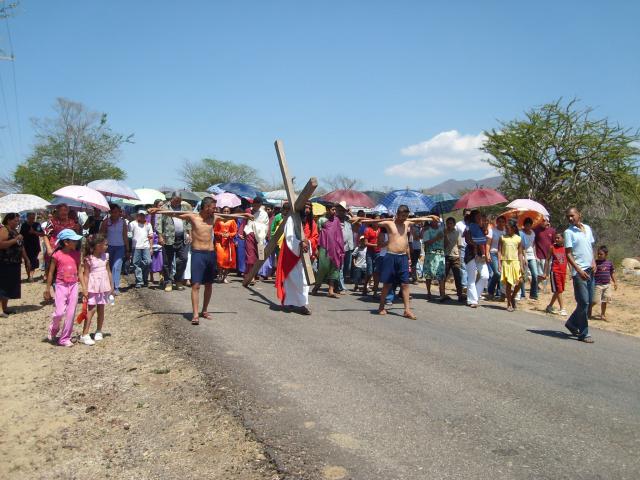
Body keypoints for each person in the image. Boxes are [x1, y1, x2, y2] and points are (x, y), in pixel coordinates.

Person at [150, 197, 249, 324]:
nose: (215, 209)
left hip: (211, 254)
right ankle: (195, 314)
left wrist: (245, 215)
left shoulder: (214, 217)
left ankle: (205, 310)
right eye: (213, 207)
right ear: (206, 207)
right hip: (198, 254)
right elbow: (173, 213)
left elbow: (230, 216)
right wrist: (157, 210)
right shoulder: (193, 217)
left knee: (209, 284)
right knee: (195, 285)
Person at [360, 206, 439, 319]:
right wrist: (358, 219)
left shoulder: (406, 223)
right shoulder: (389, 223)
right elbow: (373, 221)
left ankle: (407, 310)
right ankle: (381, 306)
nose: (404, 218)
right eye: (402, 216)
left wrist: (431, 217)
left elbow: (419, 219)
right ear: (397, 214)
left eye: (406, 216)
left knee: (405, 284)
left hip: (402, 258)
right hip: (390, 256)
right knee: (387, 284)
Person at [44, 229, 83, 347]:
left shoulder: (77, 254)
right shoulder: (57, 255)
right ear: (66, 242)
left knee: (71, 313)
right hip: (61, 285)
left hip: (74, 285)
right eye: (74, 240)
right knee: (59, 312)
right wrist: (47, 289)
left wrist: (84, 288)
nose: (76, 242)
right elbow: (51, 273)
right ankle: (54, 327)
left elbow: (80, 271)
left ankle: (65, 337)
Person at [563, 207, 596, 343]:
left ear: (579, 215)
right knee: (583, 302)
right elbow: (568, 254)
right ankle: (584, 333)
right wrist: (578, 270)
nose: (570, 218)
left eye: (572, 215)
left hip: (590, 269)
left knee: (589, 302)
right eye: (568, 217)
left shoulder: (587, 228)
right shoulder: (568, 232)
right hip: (579, 272)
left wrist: (593, 261)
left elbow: (590, 246)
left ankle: (571, 323)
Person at [275, 208, 312, 315]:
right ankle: (289, 302)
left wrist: (307, 243)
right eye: (306, 207)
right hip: (291, 254)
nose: (308, 210)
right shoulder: (291, 219)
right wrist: (300, 244)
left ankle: (303, 304)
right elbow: (289, 237)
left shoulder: (310, 221)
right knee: (291, 280)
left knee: (304, 281)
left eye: (310, 207)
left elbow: (313, 236)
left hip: (303, 256)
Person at [79, 234, 113, 345]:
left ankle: (99, 330)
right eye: (105, 245)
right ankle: (85, 333)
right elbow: (86, 275)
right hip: (93, 287)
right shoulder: (89, 259)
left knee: (101, 308)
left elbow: (108, 271)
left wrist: (111, 285)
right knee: (91, 309)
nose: (107, 247)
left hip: (103, 287)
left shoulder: (105, 257)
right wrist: (85, 288)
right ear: (98, 246)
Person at [157, 193, 192, 292]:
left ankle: (178, 280)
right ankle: (168, 281)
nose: (178, 202)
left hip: (182, 238)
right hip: (168, 238)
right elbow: (159, 222)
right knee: (167, 261)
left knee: (183, 259)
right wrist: (160, 236)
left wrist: (190, 234)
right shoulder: (164, 207)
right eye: (176, 200)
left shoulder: (184, 207)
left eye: (179, 200)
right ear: (171, 199)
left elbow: (188, 221)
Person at [312, 204, 344, 298]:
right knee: (323, 267)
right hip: (324, 247)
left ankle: (331, 290)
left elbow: (339, 234)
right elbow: (317, 235)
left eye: (335, 210)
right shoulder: (321, 220)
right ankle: (316, 287)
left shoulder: (337, 220)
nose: (334, 211)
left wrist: (341, 248)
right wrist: (316, 249)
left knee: (335, 267)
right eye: (333, 209)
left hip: (336, 248)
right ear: (327, 209)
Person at [0, 213, 29, 317]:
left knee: (9, 286)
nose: (17, 222)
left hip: (14, 262)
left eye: (18, 221)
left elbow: (21, 246)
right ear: (8, 220)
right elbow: (1, 244)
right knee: (3, 286)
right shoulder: (4, 230)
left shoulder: (15, 231)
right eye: (15, 220)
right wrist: (15, 239)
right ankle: (0, 310)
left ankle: (5, 307)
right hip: (5, 262)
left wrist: (26, 258)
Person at [99, 204, 129, 295]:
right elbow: (101, 235)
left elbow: (125, 236)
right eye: (113, 212)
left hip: (120, 247)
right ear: (110, 212)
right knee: (109, 267)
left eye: (117, 212)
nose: (115, 214)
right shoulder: (106, 222)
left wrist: (127, 249)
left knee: (116, 267)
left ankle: (115, 287)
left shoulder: (122, 222)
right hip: (108, 247)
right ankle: (108, 286)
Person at [464, 210, 490, 308]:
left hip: (480, 254)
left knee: (485, 276)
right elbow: (468, 240)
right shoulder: (468, 227)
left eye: (481, 217)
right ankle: (472, 300)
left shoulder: (481, 228)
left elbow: (484, 239)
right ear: (474, 218)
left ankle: (475, 296)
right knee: (472, 277)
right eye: (478, 217)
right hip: (470, 254)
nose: (480, 219)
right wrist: (475, 245)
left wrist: (484, 227)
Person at [499, 220, 525, 312]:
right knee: (509, 284)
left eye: (508, 228)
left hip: (515, 262)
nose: (506, 229)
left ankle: (513, 297)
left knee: (520, 281)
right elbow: (499, 251)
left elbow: (520, 253)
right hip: (506, 262)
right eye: (505, 228)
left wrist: (521, 265)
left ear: (513, 228)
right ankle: (509, 303)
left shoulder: (518, 238)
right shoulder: (502, 238)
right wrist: (499, 263)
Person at [43, 204, 80, 268]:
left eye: (65, 210)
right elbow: (45, 235)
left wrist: (77, 229)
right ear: (57, 211)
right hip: (55, 249)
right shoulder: (52, 222)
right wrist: (48, 248)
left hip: (69, 250)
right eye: (61, 210)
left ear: (68, 211)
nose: (63, 212)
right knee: (53, 270)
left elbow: (75, 236)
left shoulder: (72, 222)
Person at [540, 232, 567, 316]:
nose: (556, 239)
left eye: (558, 238)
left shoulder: (566, 248)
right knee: (558, 290)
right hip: (555, 271)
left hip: (563, 272)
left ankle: (550, 306)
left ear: (563, 239)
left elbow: (569, 259)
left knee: (559, 291)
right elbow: (547, 260)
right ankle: (562, 308)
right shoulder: (552, 247)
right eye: (556, 238)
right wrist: (545, 272)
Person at [243, 197, 269, 285]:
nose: (256, 207)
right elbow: (244, 222)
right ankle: (250, 276)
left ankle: (254, 274)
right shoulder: (248, 211)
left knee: (259, 255)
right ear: (252, 204)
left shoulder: (264, 214)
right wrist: (241, 232)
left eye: (258, 205)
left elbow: (265, 225)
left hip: (260, 237)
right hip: (249, 234)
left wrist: (257, 226)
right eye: (255, 205)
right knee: (250, 255)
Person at [422, 217, 446, 301]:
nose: (435, 222)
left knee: (441, 275)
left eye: (437, 220)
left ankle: (442, 294)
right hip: (430, 254)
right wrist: (436, 238)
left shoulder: (442, 230)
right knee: (428, 275)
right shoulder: (427, 231)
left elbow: (445, 242)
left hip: (441, 254)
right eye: (433, 220)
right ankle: (428, 292)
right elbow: (426, 243)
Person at [129, 210, 153, 288]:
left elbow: (151, 237)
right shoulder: (132, 224)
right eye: (141, 215)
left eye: (144, 215)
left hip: (146, 246)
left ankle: (144, 278)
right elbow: (129, 235)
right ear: (137, 215)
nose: (142, 216)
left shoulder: (148, 224)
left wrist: (151, 247)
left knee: (148, 261)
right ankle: (139, 281)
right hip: (136, 246)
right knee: (136, 263)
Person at [592, 245, 617, 321]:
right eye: (598, 254)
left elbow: (612, 273)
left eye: (601, 254)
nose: (599, 255)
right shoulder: (595, 263)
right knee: (595, 300)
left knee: (605, 300)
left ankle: (603, 315)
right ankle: (587, 310)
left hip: (607, 285)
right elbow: (592, 272)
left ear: (606, 255)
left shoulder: (609, 263)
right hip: (598, 285)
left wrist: (615, 282)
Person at [214, 206, 238, 283]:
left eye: (228, 211)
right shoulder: (218, 220)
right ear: (222, 212)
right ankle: (220, 274)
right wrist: (220, 234)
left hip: (229, 243)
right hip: (220, 243)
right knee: (220, 259)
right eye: (224, 211)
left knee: (228, 260)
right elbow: (214, 231)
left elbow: (234, 232)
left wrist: (229, 234)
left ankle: (225, 276)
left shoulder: (232, 221)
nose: (226, 213)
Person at [335, 202, 355, 293]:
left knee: (348, 267)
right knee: (340, 267)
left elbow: (359, 222)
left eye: (344, 210)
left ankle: (337, 284)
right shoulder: (334, 221)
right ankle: (341, 286)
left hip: (349, 247)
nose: (342, 212)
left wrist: (350, 213)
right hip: (338, 248)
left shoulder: (348, 220)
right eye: (340, 210)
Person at [443, 217, 464, 302]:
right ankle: (442, 294)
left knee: (457, 277)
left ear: (454, 224)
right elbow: (444, 245)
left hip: (455, 257)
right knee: (444, 276)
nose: (449, 225)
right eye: (448, 223)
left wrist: (459, 257)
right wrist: (445, 236)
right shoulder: (443, 232)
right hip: (446, 255)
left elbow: (459, 245)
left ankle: (460, 295)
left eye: (451, 223)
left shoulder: (457, 233)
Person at [519, 217, 539, 300]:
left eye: (530, 225)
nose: (528, 227)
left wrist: (535, 255)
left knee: (535, 274)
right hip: (523, 255)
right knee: (523, 275)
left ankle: (533, 293)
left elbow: (533, 245)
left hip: (531, 255)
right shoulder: (521, 233)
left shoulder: (533, 233)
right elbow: (522, 246)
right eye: (527, 225)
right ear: (524, 225)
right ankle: (522, 294)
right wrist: (524, 258)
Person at [534, 216, 555, 293]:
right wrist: (535, 255)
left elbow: (553, 242)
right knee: (540, 273)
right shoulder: (536, 230)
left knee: (546, 273)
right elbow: (534, 242)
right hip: (539, 254)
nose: (543, 222)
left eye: (545, 221)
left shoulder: (552, 231)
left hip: (549, 256)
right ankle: (537, 286)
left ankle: (544, 288)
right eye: (542, 220)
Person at [20, 212, 44, 282]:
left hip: (35, 246)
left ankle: (31, 276)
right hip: (26, 246)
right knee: (27, 261)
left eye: (33, 218)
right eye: (30, 218)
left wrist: (34, 232)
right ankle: (29, 276)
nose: (32, 219)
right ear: (27, 218)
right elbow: (21, 235)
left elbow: (42, 234)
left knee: (33, 261)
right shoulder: (24, 225)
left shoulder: (37, 225)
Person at [487, 215, 506, 299]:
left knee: (502, 274)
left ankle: (499, 292)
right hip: (493, 253)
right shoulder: (492, 231)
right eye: (499, 221)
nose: (501, 223)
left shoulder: (506, 232)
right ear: (496, 222)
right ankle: (490, 290)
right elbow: (488, 243)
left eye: (503, 221)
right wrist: (487, 253)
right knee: (497, 273)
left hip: (504, 255)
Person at [362, 215, 380, 296]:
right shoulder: (368, 230)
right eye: (375, 220)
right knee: (369, 272)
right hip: (370, 252)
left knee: (377, 272)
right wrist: (375, 245)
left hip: (379, 253)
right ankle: (365, 286)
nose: (377, 222)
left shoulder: (381, 230)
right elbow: (365, 243)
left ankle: (375, 292)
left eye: (378, 221)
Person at [455, 209, 471, 288]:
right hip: (462, 247)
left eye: (469, 214)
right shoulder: (458, 224)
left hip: (471, 247)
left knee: (471, 267)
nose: (468, 216)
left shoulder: (473, 224)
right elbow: (455, 235)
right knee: (463, 266)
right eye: (466, 214)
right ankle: (464, 285)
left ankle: (470, 283)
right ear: (464, 215)